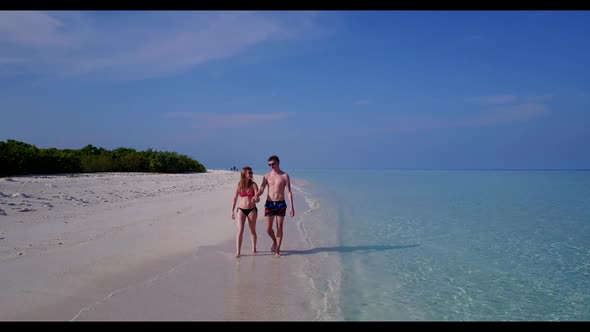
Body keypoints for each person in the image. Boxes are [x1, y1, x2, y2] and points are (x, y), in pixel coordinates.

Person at [255, 155, 294, 256]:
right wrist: (256, 195)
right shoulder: (267, 176)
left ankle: (277, 251)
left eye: (273, 164)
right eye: (269, 164)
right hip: (269, 204)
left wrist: (292, 207)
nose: (271, 166)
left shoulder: (285, 176)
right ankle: (274, 241)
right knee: (268, 228)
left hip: (281, 203)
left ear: (278, 163)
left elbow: (289, 192)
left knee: (279, 227)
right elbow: (262, 189)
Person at [230, 166, 260, 258]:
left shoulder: (254, 185)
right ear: (244, 174)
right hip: (241, 209)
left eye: (252, 172)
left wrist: (256, 198)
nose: (251, 174)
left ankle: (254, 249)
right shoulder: (239, 185)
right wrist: (232, 211)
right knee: (240, 230)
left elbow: (258, 199)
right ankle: (238, 251)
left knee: (252, 230)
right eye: (249, 173)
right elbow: (235, 198)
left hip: (252, 209)